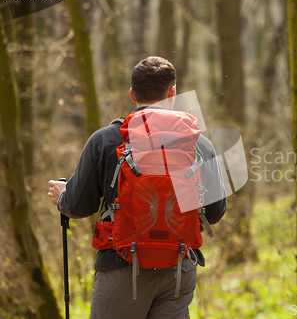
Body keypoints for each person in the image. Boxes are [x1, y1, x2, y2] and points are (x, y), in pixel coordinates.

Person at [48, 56, 226, 319]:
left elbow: (78, 205)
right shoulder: (198, 143)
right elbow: (214, 212)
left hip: (121, 266)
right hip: (177, 269)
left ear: (132, 94)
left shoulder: (106, 140)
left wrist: (63, 197)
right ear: (172, 92)